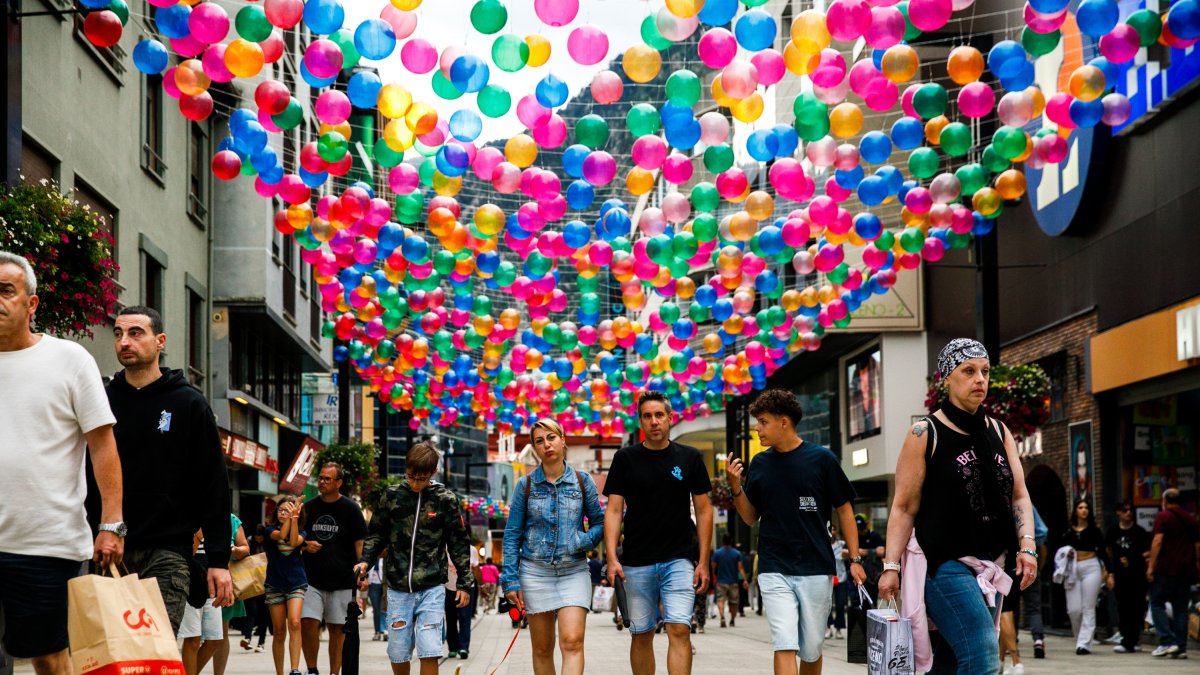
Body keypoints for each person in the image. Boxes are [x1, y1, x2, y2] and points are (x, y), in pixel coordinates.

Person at [879, 339, 1038, 674]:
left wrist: (1027, 546)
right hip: (943, 563)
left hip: (991, 561)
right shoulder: (924, 432)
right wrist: (891, 565)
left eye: (984, 371)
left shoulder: (999, 430)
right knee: (981, 653)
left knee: (950, 660)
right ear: (947, 378)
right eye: (968, 371)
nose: (979, 379)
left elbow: (1019, 494)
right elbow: (904, 507)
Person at [0, 251, 124, 675]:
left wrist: (111, 525)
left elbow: (103, 446)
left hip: (46, 544)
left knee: (50, 658)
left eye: (6, 291)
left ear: (31, 303)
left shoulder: (69, 360)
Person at [87, 304, 234, 634]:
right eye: (119, 334)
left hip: (169, 551)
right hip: (110, 548)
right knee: (112, 655)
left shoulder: (189, 403)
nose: (125, 341)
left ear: (160, 341)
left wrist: (218, 560)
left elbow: (213, 484)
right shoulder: (100, 399)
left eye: (136, 333)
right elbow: (83, 471)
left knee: (155, 650)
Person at [727, 388, 866, 675]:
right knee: (784, 642)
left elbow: (845, 510)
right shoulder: (760, 463)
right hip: (773, 566)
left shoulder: (822, 460)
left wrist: (855, 560)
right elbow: (752, 517)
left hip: (816, 566)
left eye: (763, 422)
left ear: (784, 422)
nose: (757, 429)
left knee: (812, 648)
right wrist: (736, 488)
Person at [604, 391, 713, 675]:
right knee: (641, 633)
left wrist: (702, 561)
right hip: (636, 560)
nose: (654, 421)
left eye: (659, 415)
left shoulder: (689, 458)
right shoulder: (625, 458)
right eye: (647, 416)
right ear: (640, 421)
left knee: (679, 628)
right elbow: (614, 510)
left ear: (669, 418)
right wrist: (612, 557)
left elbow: (704, 510)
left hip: (679, 558)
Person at [355, 442, 474, 675]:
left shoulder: (445, 499)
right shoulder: (391, 496)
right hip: (398, 587)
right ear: (406, 469)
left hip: (432, 586)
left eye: (421, 478)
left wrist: (464, 583)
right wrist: (365, 561)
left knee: (429, 648)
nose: (415, 483)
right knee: (398, 651)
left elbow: (458, 542)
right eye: (411, 477)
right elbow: (376, 533)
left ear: (433, 472)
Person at [500, 418, 605, 675]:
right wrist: (511, 580)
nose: (546, 444)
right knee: (543, 648)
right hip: (535, 573)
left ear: (563, 439)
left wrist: (582, 540)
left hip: (573, 571)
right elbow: (512, 535)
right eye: (539, 441)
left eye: (551, 437)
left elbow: (600, 522)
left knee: (572, 641)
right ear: (535, 448)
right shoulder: (526, 485)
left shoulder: (583, 482)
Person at [301, 463, 367, 675]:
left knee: (337, 630)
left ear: (339, 483)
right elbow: (294, 538)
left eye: (327, 479)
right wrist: (305, 545)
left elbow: (359, 544)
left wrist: (362, 573)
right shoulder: (309, 508)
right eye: (320, 478)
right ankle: (312, 670)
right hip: (312, 579)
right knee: (308, 624)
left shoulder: (351, 509)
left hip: (342, 580)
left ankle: (334, 673)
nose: (322, 482)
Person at [1147, 487, 1199, 659]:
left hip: (1166, 568)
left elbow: (1157, 541)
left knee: (1156, 603)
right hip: (1185, 569)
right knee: (1180, 609)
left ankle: (1166, 641)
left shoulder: (1164, 516)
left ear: (1165, 501)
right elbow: (1197, 545)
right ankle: (1181, 646)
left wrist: (1151, 566)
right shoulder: (1190, 519)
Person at [196, 515, 251, 675]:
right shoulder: (192, 513)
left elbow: (245, 548)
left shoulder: (232, 519)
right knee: (193, 636)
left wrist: (233, 550)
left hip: (222, 582)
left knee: (220, 634)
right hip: (195, 578)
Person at [264, 496, 309, 675]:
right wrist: (290, 517)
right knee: (279, 631)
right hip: (274, 583)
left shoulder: (303, 532)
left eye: (288, 510)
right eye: (281, 510)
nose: (284, 513)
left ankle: (295, 669)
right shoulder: (270, 530)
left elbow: (292, 541)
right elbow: (282, 536)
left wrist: (294, 519)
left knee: (295, 622)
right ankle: (279, 672)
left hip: (296, 582)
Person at [1061, 499, 1107, 654]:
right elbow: (1060, 551)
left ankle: (1084, 643)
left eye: (1086, 507)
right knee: (1074, 609)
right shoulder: (1068, 531)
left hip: (1091, 567)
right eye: (1080, 507)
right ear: (1075, 510)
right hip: (1073, 568)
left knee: (1088, 607)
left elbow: (1103, 552)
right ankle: (1079, 637)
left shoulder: (1094, 530)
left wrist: (1109, 572)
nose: (1084, 510)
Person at [1104, 500, 1150, 654]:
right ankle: (1126, 639)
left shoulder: (1139, 532)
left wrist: (1132, 560)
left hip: (1136, 575)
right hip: (1120, 575)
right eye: (1125, 510)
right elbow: (1108, 552)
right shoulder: (1113, 532)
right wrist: (1109, 573)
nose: (1128, 513)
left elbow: (1146, 552)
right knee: (1123, 607)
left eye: (1131, 510)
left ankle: (1133, 639)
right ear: (1118, 513)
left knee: (1137, 607)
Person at [443, 543, 479, 658]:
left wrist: (482, 585)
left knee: (465, 618)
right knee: (450, 618)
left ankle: (463, 647)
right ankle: (453, 647)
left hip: (467, 588)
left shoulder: (471, 549)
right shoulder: (444, 547)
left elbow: (476, 568)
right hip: (449, 588)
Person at [1024, 506, 1049, 659]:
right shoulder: (1027, 505)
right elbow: (1041, 532)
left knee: (1008, 608)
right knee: (1033, 607)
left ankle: (1009, 644)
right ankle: (1038, 640)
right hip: (1027, 559)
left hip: (1007, 563)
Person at [709, 536, 746, 628]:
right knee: (734, 602)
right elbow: (740, 568)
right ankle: (732, 620)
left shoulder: (717, 553)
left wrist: (712, 576)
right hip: (734, 581)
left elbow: (713, 566)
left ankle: (722, 617)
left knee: (720, 599)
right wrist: (745, 580)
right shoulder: (737, 553)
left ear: (722, 541)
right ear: (731, 541)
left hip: (721, 581)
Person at [826, 525, 848, 640]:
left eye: (834, 529)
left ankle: (839, 629)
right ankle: (828, 627)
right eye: (830, 529)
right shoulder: (823, 543)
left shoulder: (842, 544)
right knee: (827, 605)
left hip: (841, 578)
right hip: (827, 578)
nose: (832, 532)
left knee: (840, 604)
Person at [367, 559, 387, 641]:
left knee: (384, 609)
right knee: (376, 610)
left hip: (384, 585)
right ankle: (377, 632)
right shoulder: (370, 558)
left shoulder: (385, 558)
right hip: (373, 585)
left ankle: (384, 630)